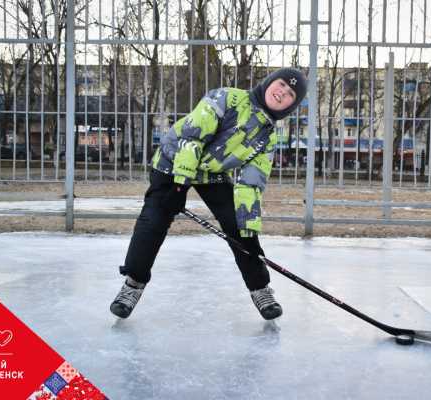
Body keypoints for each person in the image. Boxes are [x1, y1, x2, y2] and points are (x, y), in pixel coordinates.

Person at [110, 68, 308, 321]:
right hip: (174, 161)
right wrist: (180, 186)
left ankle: (260, 288)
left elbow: (251, 184)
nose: (282, 93)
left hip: (210, 172)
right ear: (269, 82)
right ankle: (132, 284)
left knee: (240, 227)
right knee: (154, 221)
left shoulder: (267, 137)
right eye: (281, 84)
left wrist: (247, 227)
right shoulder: (226, 98)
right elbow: (192, 138)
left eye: (290, 93)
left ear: (292, 105)